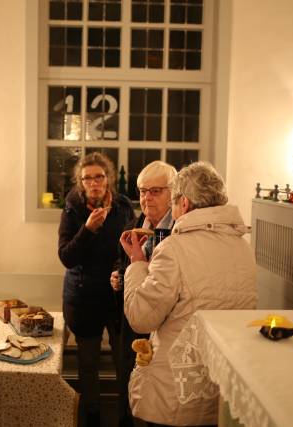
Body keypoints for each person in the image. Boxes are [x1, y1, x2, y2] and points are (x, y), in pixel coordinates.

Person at [119, 161, 257, 427]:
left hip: (176, 389)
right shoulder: (243, 248)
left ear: (183, 204)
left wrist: (136, 264)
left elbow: (141, 318)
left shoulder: (174, 248)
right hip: (221, 380)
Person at [58, 152, 135, 426]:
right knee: (88, 364)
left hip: (117, 297)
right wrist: (87, 230)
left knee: (124, 359)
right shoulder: (73, 209)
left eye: (99, 177)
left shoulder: (123, 208)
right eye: (87, 178)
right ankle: (92, 416)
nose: (94, 183)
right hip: (83, 298)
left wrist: (121, 271)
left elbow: (132, 248)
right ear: (80, 182)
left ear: (108, 178)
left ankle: (126, 415)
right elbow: (66, 257)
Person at [109, 160, 177, 427]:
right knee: (129, 390)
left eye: (155, 191)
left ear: (173, 193)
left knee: (156, 403)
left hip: (163, 327)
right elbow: (122, 261)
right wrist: (118, 275)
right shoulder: (135, 222)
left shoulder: (177, 232)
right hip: (133, 324)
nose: (146, 197)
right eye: (142, 191)